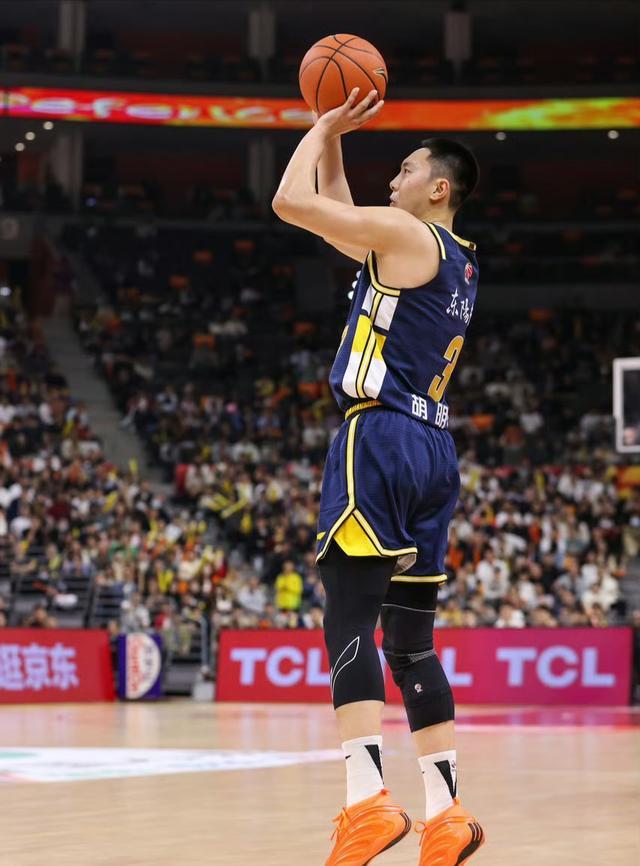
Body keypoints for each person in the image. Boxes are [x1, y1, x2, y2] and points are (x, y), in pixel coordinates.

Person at [273, 88, 483, 865]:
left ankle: (367, 802)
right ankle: (447, 814)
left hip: (381, 436)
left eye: (404, 170)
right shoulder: (455, 258)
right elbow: (336, 213)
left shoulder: (405, 233)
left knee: (349, 618)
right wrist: (336, 146)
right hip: (433, 449)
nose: (391, 181)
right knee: (411, 644)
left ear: (438, 188)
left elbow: (290, 203)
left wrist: (323, 123)